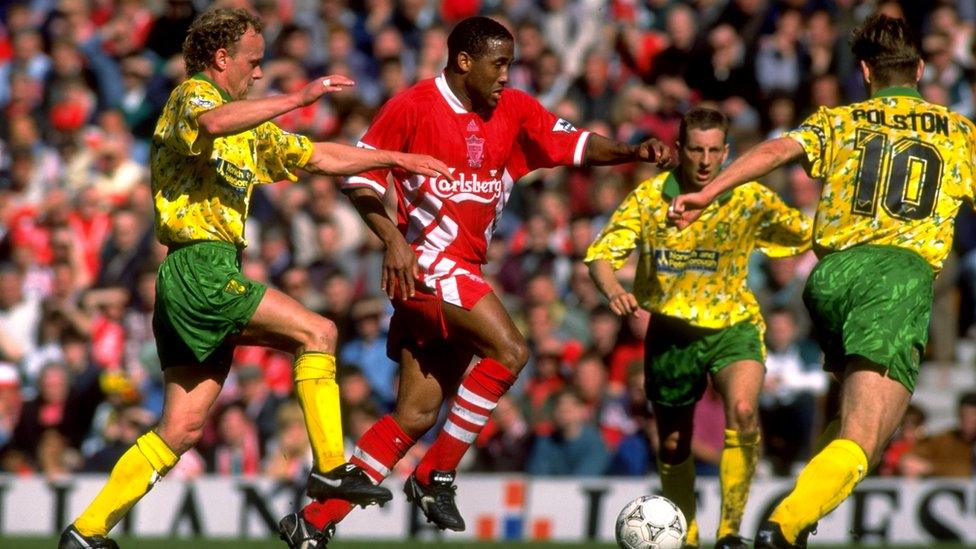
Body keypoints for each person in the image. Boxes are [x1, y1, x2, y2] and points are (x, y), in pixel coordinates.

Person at [58, 8, 453, 549]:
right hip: (200, 266)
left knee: (182, 429)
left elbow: (316, 156)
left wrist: (398, 158)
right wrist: (299, 98)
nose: (260, 73)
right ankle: (332, 468)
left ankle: (86, 531)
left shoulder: (248, 128)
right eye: (254, 62)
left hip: (193, 275)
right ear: (223, 60)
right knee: (318, 333)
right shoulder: (192, 96)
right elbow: (212, 124)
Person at [281, 15, 671, 547]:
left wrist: (632, 152)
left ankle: (312, 523)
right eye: (499, 64)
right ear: (464, 61)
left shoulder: (514, 110)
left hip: (460, 270)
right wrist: (393, 241)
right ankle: (436, 475)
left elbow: (577, 143)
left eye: (511, 63)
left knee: (414, 416)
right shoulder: (413, 105)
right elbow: (357, 178)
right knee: (510, 350)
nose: (507, 75)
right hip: (425, 266)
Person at [669, 14, 976, 549]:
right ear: (921, 69)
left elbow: (774, 151)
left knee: (854, 418)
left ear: (864, 71)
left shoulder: (838, 121)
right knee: (868, 436)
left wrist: (706, 191)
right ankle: (781, 529)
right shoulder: (960, 132)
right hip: (897, 276)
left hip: (829, 278)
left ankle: (799, 520)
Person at [586, 107, 812, 549]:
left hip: (734, 325)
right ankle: (685, 536)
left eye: (714, 150)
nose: (705, 160)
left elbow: (806, 232)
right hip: (671, 333)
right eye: (696, 149)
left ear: (727, 152)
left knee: (744, 411)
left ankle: (730, 532)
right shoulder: (649, 199)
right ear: (679, 150)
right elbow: (600, 256)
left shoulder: (747, 199)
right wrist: (613, 287)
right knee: (672, 442)